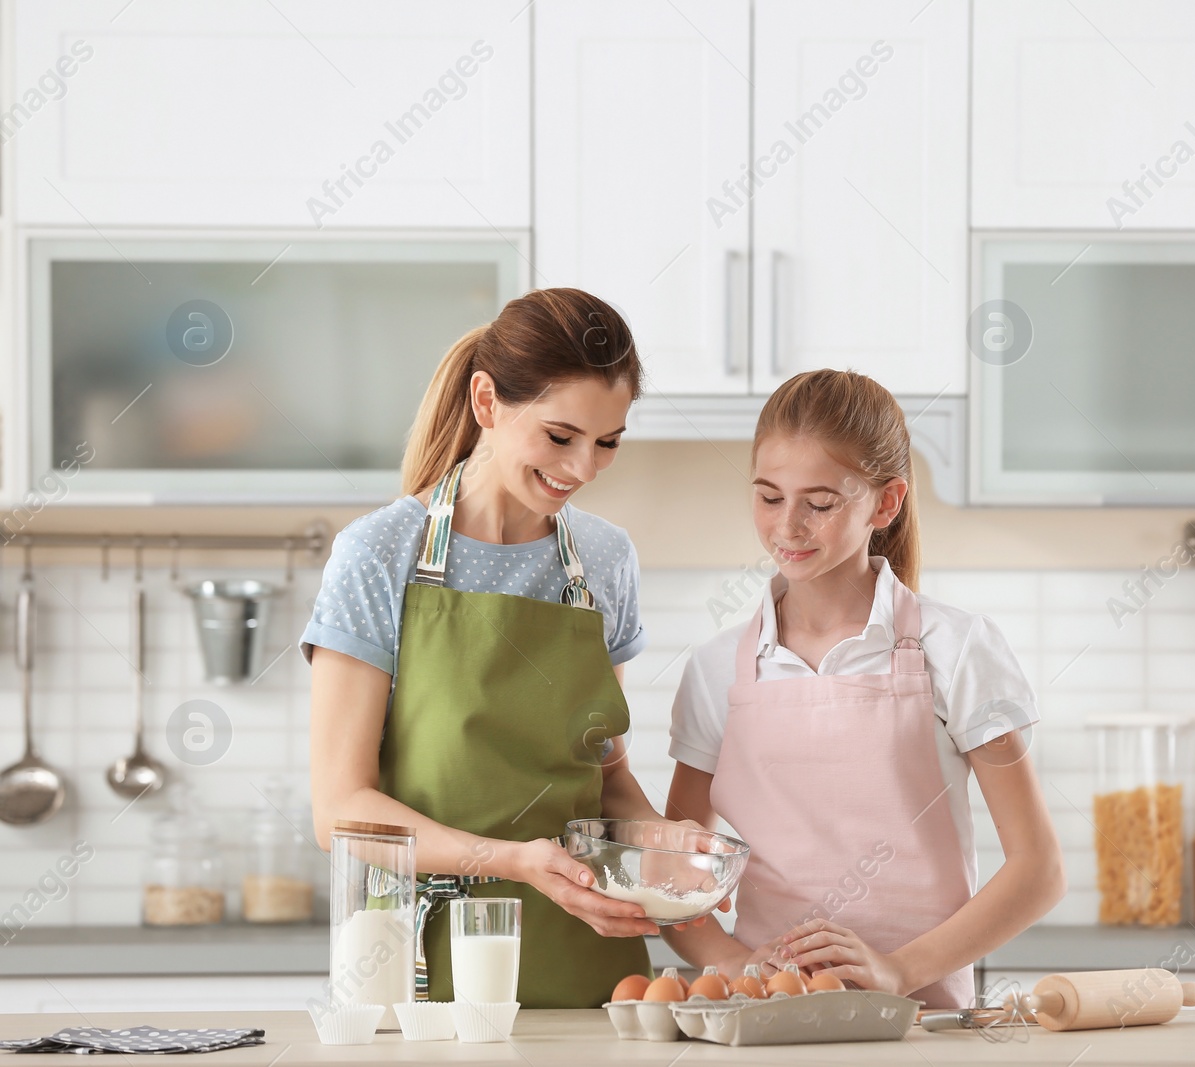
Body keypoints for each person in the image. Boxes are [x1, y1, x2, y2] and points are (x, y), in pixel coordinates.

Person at [304, 288, 675, 1008]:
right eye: (560, 436)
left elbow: (607, 776)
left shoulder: (604, 558)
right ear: (486, 401)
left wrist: (669, 844)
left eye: (607, 442)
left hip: (584, 960)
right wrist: (511, 862)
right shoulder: (380, 554)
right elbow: (341, 810)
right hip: (421, 960)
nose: (584, 468)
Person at [661, 369, 1065, 1008]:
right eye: (768, 497)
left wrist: (898, 971)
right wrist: (734, 961)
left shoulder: (957, 649)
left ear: (885, 503)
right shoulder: (717, 669)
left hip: (921, 1026)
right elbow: (670, 874)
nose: (787, 526)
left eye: (818, 503)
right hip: (766, 1021)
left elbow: (1038, 870)